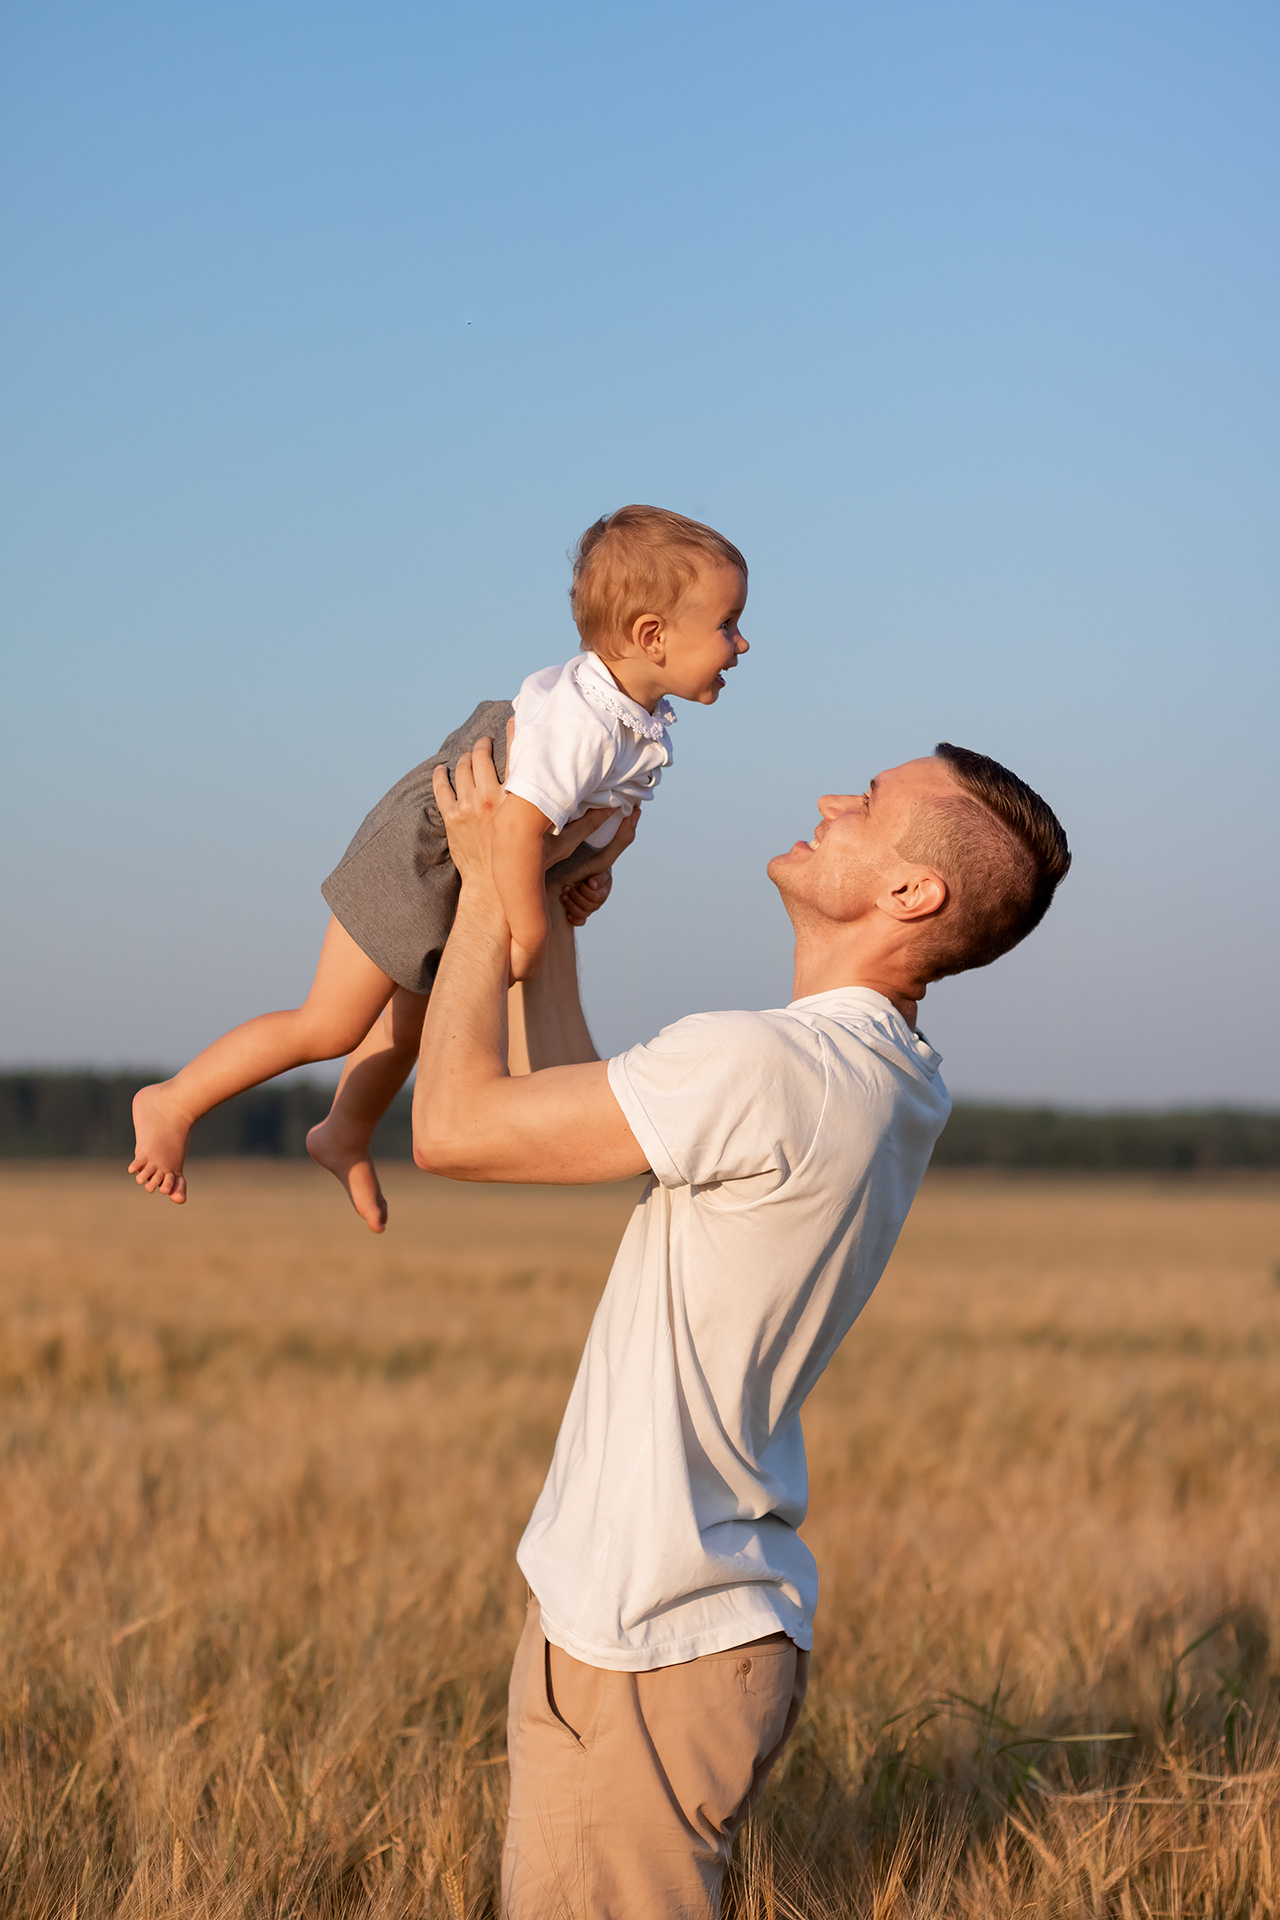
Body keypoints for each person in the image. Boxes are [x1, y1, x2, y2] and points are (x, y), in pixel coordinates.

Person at [412, 733, 1071, 1917]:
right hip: (695, 1628)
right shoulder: (882, 1076)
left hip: (646, 1638)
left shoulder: (770, 1066)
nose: (830, 799)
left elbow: (454, 1127)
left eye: (867, 803)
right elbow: (571, 1114)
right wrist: (545, 915)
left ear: (909, 893)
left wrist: (482, 885)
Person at [126, 505, 749, 1232]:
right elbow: (513, 827)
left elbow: (576, 827)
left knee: (420, 1021)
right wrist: (531, 932)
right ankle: (173, 1100)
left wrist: (588, 874)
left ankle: (344, 1132)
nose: (741, 643)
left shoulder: (633, 721)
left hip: (478, 870)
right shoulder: (581, 724)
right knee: (329, 1024)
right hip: (423, 854)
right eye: (728, 624)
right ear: (652, 636)